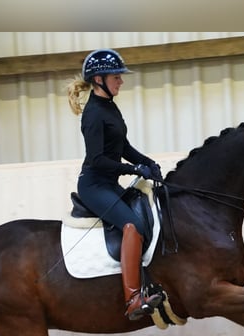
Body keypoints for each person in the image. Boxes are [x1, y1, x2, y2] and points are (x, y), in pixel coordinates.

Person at [66, 48, 164, 320]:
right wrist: (134, 169)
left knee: (145, 221)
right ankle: (133, 299)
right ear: (99, 80)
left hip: (108, 183)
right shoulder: (93, 114)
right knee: (131, 226)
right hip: (95, 185)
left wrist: (147, 162)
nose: (121, 81)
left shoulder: (109, 107)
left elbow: (123, 147)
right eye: (116, 77)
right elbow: (97, 160)